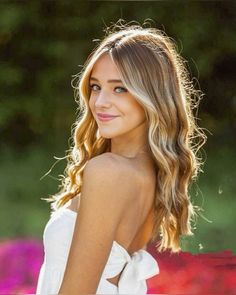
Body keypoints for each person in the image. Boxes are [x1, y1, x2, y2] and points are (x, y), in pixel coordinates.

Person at [35, 20, 207, 294]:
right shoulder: (149, 175)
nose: (100, 102)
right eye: (95, 87)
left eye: (120, 88)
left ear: (151, 96)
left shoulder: (107, 171)